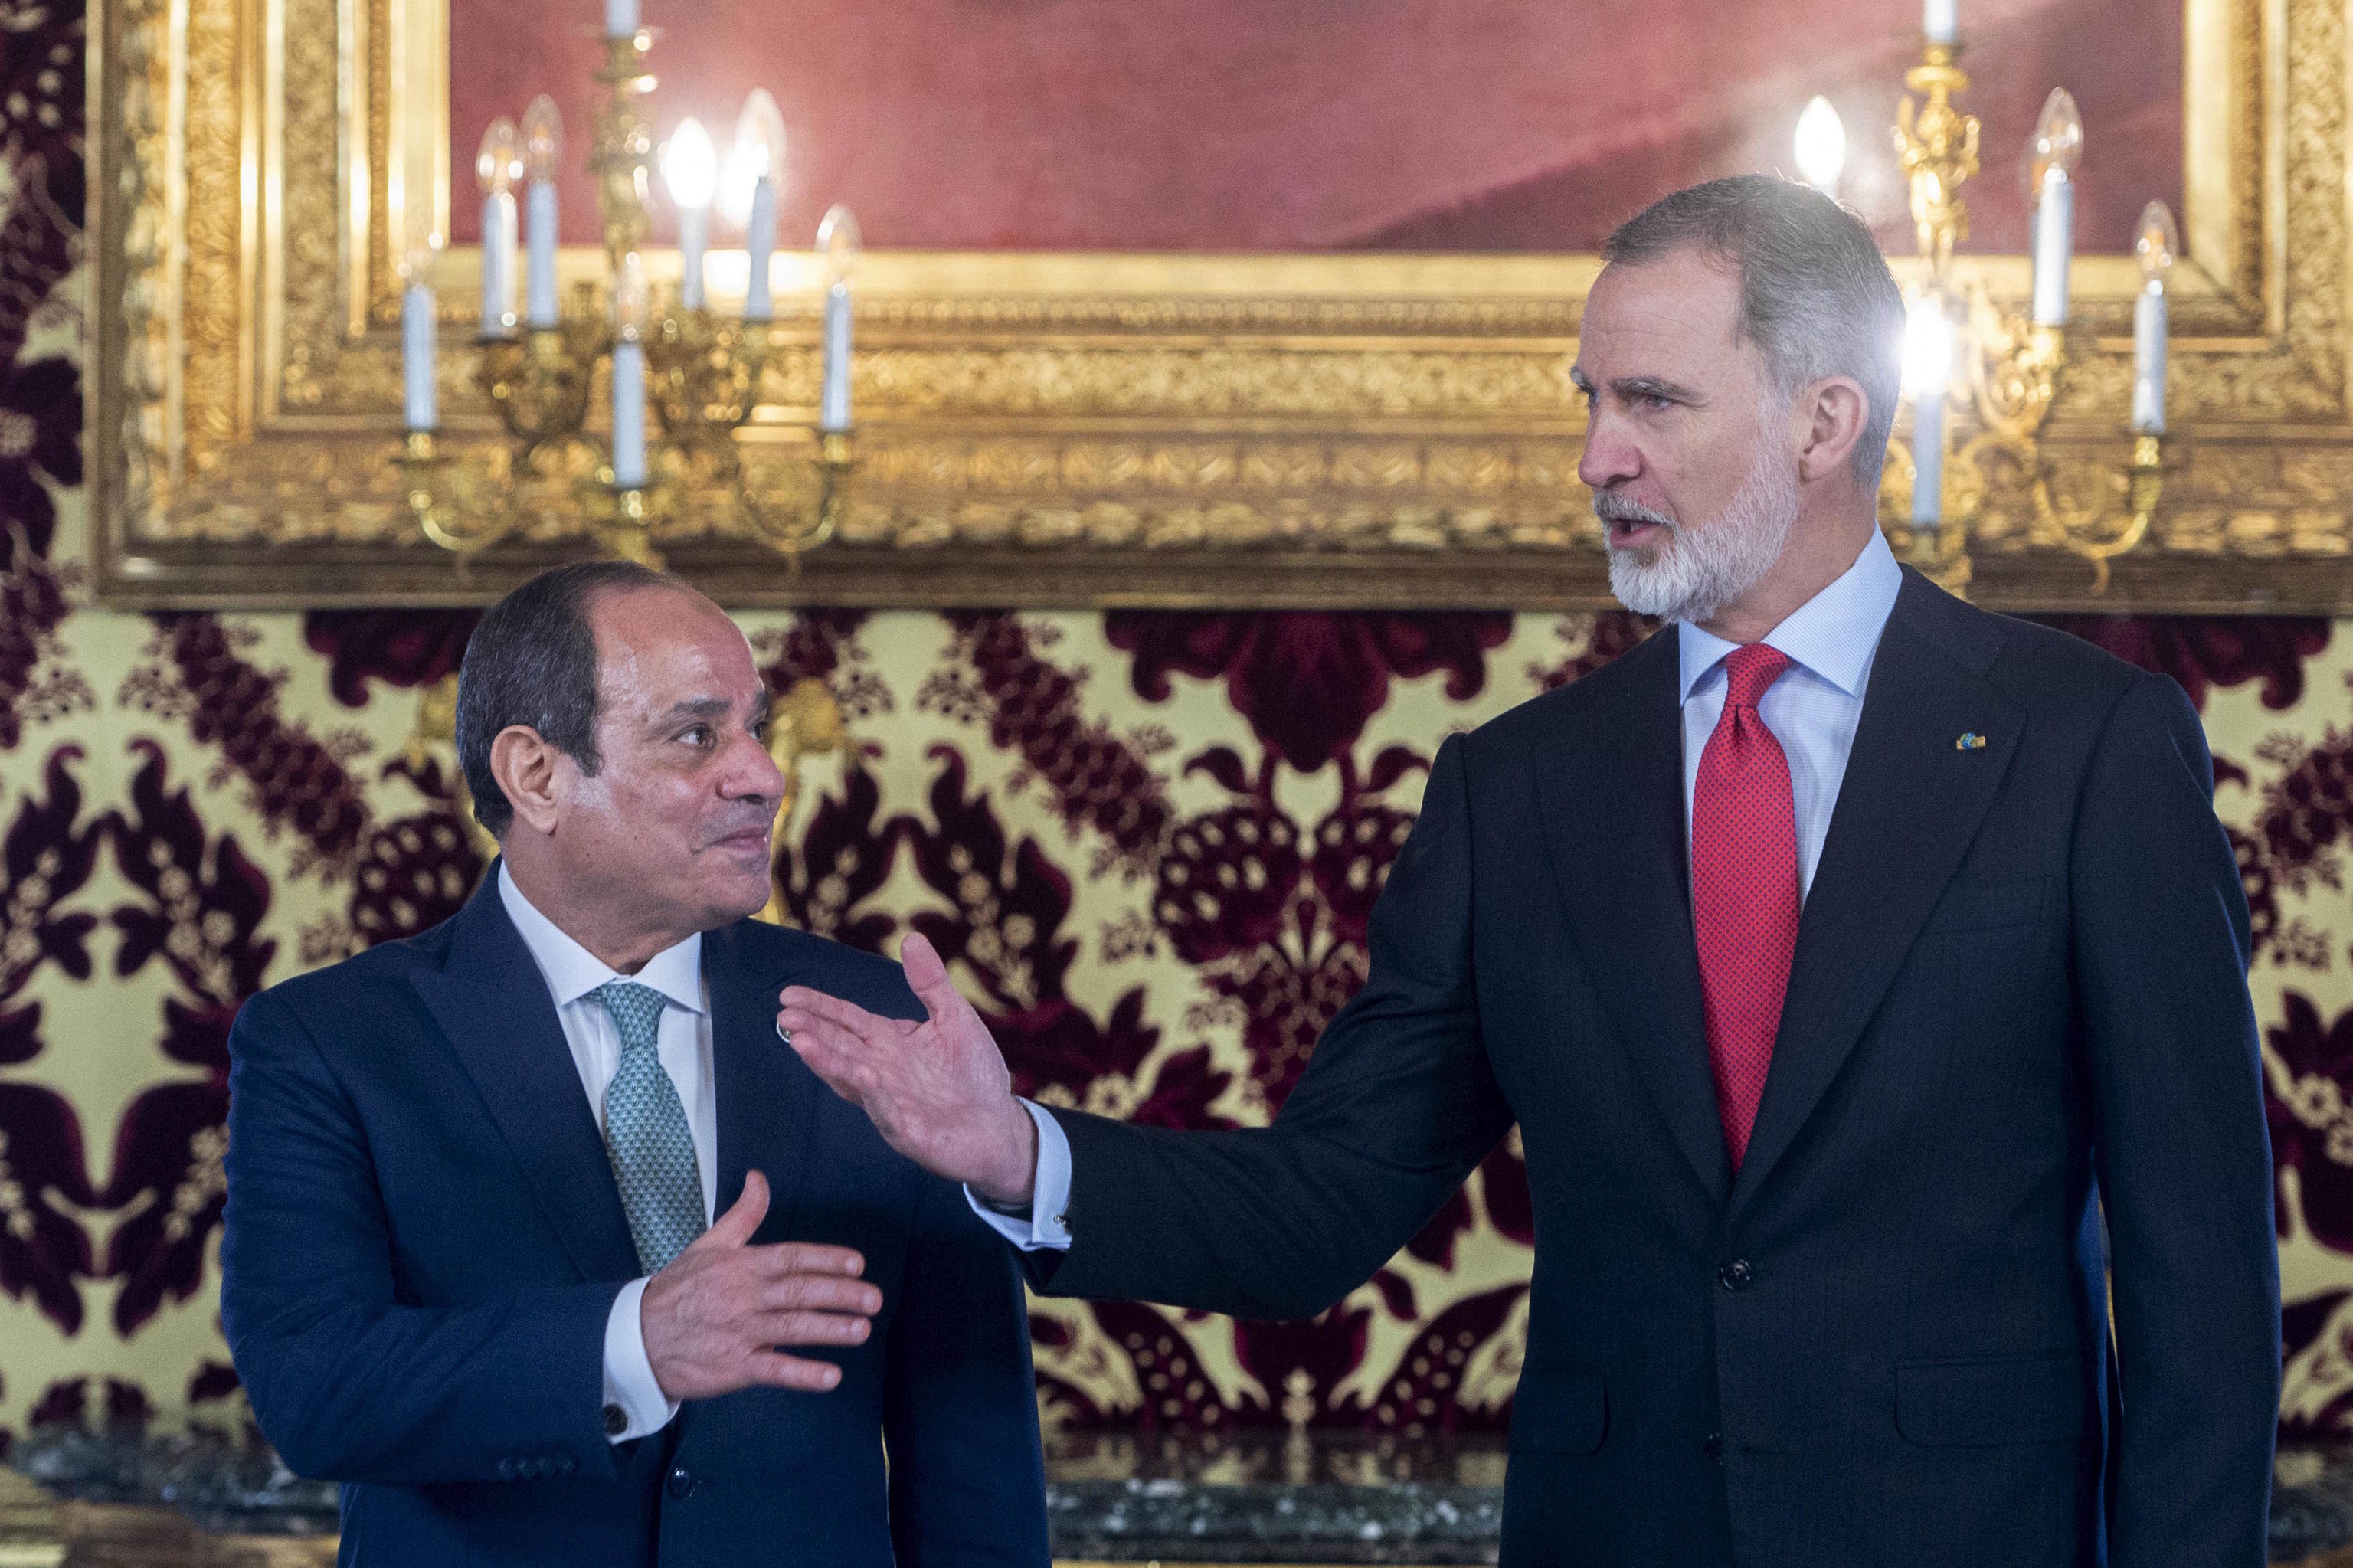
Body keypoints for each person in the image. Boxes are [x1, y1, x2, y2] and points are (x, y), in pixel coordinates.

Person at [777, 176, 2281, 1567]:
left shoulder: (2085, 745)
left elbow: (2202, 1284)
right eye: (1591, 400)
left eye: (1652, 402)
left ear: (1827, 421)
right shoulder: (1519, 788)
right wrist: (1015, 1152)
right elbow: (1324, 1205)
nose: (1595, 456)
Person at [221, 562, 1047, 1566]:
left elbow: (970, 1443)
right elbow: (315, 1389)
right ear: (536, 775)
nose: (762, 775)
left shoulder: (872, 1019)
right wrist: (631, 1348)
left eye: (756, 730)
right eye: (697, 735)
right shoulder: (331, 1040)